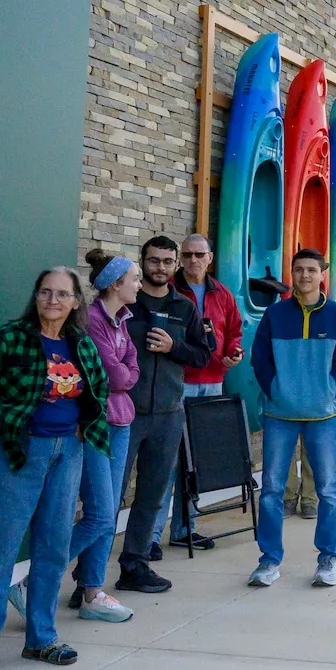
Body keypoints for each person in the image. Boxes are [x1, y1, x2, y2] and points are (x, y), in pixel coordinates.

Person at [0, 267, 109, 670]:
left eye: (62, 294)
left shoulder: (82, 345)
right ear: (35, 296)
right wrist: (4, 423)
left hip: (67, 455)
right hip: (15, 454)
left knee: (53, 551)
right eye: (44, 292)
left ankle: (41, 639)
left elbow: (100, 388)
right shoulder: (5, 339)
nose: (52, 300)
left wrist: (83, 426)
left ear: (76, 302)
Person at [16, 250, 138, 626]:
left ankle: (92, 590)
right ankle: (35, 581)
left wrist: (127, 376)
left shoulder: (122, 320)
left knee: (107, 511)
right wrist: (127, 377)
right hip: (94, 427)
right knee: (101, 513)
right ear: (116, 284)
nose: (138, 284)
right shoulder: (92, 322)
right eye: (133, 278)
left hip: (120, 422)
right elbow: (118, 378)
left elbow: (133, 365)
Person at [248, 249, 336, 588]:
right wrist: (275, 388)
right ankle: (269, 560)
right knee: (272, 489)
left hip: (323, 415)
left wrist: (328, 390)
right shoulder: (275, 315)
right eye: (298, 270)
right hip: (280, 413)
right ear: (292, 274)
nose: (304, 276)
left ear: (322, 274)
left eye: (311, 270)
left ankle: (328, 558)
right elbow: (260, 359)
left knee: (328, 489)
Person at [117, 236, 212, 592]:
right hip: (126, 413)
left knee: (151, 494)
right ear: (143, 263)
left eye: (167, 261)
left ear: (176, 266)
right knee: (110, 497)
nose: (160, 267)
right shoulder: (127, 301)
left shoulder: (184, 307)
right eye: (153, 261)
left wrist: (174, 347)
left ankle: (135, 565)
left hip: (169, 413)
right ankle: (88, 577)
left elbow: (202, 356)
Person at [154, 233, 243, 547]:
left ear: (210, 258)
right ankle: (150, 537)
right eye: (187, 255)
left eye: (198, 255)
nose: (193, 260)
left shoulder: (222, 294)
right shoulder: (170, 292)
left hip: (212, 384)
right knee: (165, 462)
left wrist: (234, 352)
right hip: (177, 384)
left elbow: (233, 330)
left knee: (197, 463)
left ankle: (183, 529)